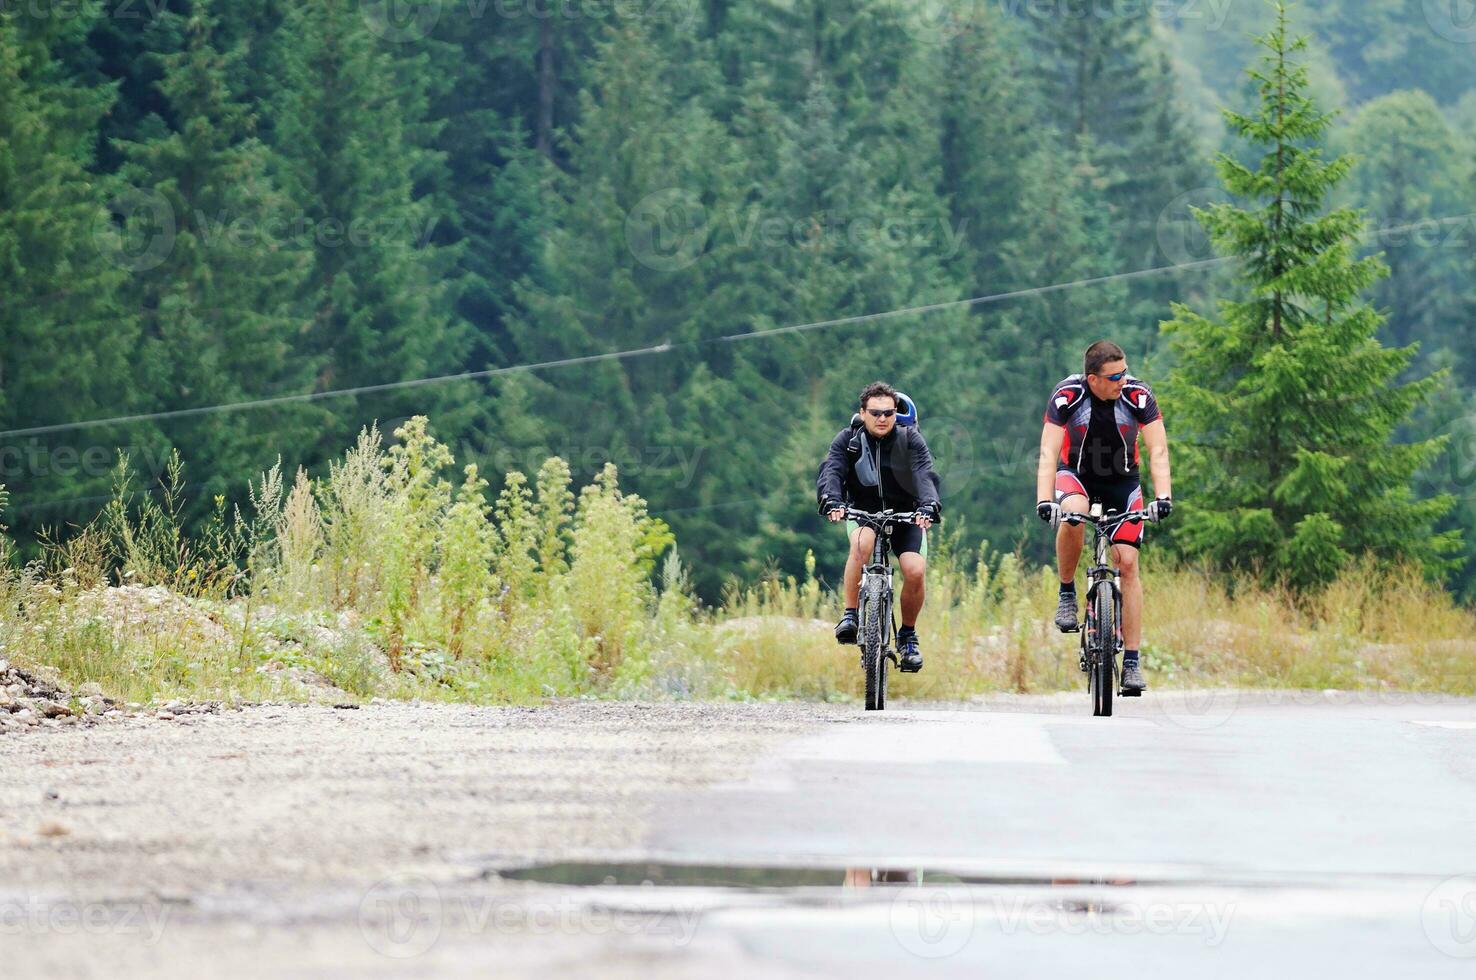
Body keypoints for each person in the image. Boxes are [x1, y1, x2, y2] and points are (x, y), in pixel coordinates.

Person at [1035, 341, 1173, 693]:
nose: (1123, 381)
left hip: (1122, 482)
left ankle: (1131, 662)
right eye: (1114, 377)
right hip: (1076, 475)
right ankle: (1067, 592)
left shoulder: (1138, 395)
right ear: (1092, 378)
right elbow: (1049, 450)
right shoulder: (1068, 395)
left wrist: (1163, 496)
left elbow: (1157, 448)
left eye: (1125, 372)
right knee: (1074, 514)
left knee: (1127, 563)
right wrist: (1044, 500)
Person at [817, 382, 942, 673]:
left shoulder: (910, 440)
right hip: (862, 511)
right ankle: (850, 616)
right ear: (863, 413)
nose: (883, 418)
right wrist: (831, 500)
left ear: (896, 415)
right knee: (862, 545)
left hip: (907, 515)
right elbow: (832, 470)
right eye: (875, 412)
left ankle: (908, 636)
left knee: (914, 570)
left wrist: (928, 507)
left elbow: (925, 474)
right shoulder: (847, 440)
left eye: (889, 412)